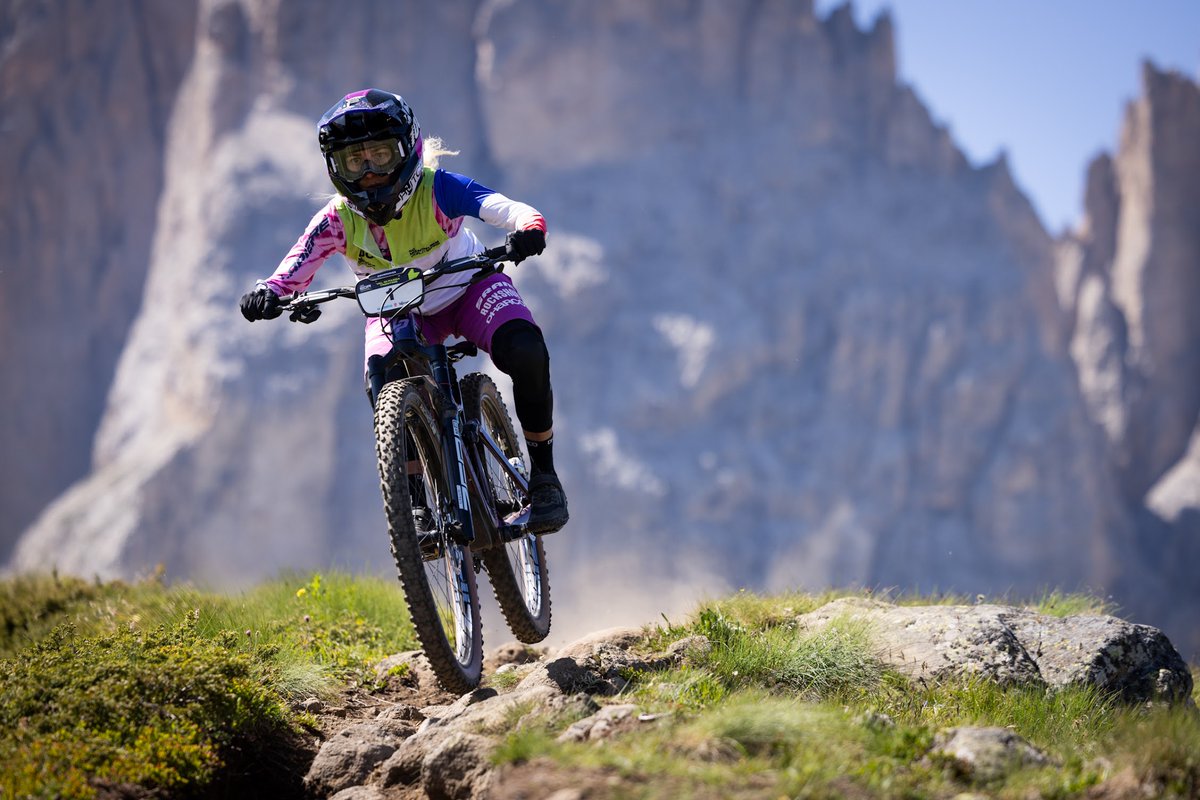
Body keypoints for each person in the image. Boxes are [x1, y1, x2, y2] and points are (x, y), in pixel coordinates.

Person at [239, 88, 568, 535]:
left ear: (408, 150)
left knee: (526, 350)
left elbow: (503, 208)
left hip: (469, 288)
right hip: (397, 313)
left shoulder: (438, 187)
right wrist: (267, 293)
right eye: (355, 162)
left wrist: (528, 228)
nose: (371, 173)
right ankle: (414, 503)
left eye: (380, 155)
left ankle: (544, 477)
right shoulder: (335, 220)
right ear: (336, 169)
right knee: (383, 383)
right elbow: (291, 270)